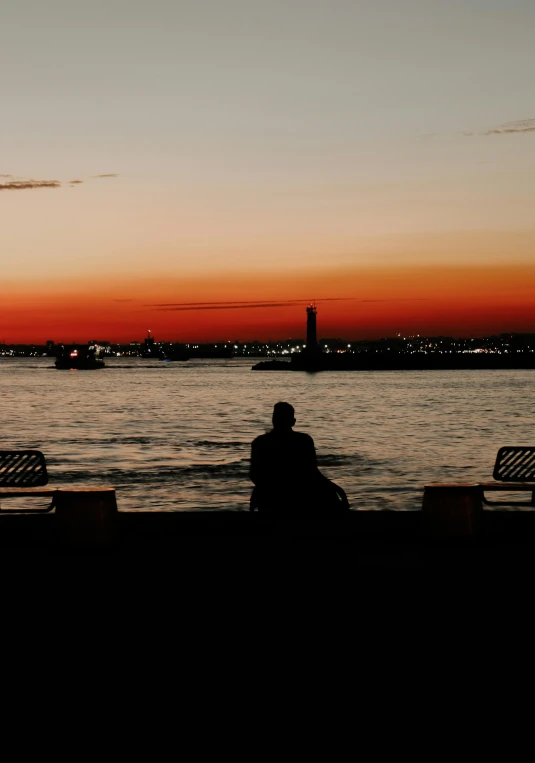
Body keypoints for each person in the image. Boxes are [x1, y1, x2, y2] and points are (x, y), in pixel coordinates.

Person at [249, 402, 349, 516]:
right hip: (298, 496)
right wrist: (338, 490)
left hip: (271, 498)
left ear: (273, 420)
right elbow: (314, 473)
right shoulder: (303, 440)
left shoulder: (260, 442)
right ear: (293, 422)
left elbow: (255, 476)